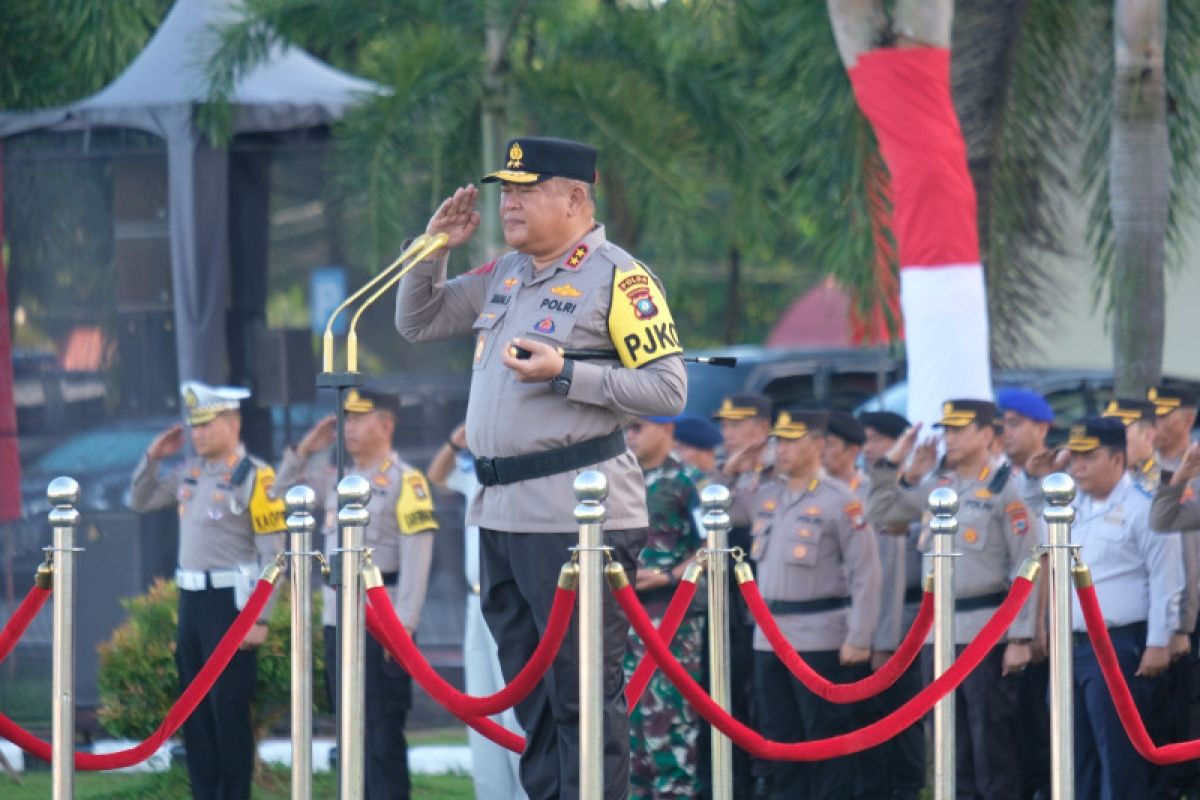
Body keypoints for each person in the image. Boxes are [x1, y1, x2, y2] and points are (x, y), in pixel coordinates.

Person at [395, 135, 686, 799]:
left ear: (576, 198)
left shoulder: (619, 278)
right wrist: (430, 250)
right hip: (501, 514)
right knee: (533, 703)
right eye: (506, 191)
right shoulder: (507, 274)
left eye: (528, 189)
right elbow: (419, 320)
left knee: (581, 697)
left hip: (576, 517)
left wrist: (568, 374)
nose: (511, 203)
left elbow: (669, 391)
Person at [867, 399, 1037, 800]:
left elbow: (1027, 564)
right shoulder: (937, 487)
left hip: (985, 630)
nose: (951, 438)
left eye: (961, 430)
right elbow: (880, 512)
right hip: (936, 632)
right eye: (947, 430)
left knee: (991, 744)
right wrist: (900, 465)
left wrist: (1020, 637)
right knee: (947, 741)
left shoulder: (1003, 488)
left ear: (986, 434)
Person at [275, 388, 437, 800]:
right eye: (345, 418)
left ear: (386, 425)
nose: (349, 427)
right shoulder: (334, 478)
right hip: (337, 618)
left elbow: (417, 564)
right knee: (347, 731)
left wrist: (403, 632)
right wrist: (307, 448)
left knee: (381, 735)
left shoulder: (406, 481)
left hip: (383, 626)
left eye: (360, 418)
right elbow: (280, 494)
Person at [129, 381, 285, 800]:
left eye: (206, 424)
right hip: (192, 602)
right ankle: (204, 793)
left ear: (232, 423)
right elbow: (140, 500)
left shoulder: (256, 475)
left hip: (232, 605)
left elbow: (276, 554)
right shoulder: (190, 473)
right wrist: (152, 459)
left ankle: (234, 795)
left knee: (229, 710)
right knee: (194, 710)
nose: (197, 434)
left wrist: (261, 617)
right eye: (194, 426)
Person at [749, 409, 881, 800]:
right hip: (768, 635)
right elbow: (723, 504)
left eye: (792, 440)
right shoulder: (767, 494)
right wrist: (737, 468)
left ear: (818, 446)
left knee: (825, 738)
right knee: (779, 737)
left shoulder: (841, 501)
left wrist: (860, 636)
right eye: (779, 440)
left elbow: (866, 573)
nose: (782, 449)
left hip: (820, 635)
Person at [1062, 417, 1184, 800]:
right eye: (1075, 456)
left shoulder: (1143, 507)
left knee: (1118, 758)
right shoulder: (1067, 509)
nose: (1077, 465)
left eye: (1088, 456)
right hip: (1072, 646)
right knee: (1074, 757)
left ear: (1117, 460)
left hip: (1118, 646)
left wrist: (1159, 641)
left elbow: (1166, 576)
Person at [427, 422, 527, 800]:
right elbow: (437, 476)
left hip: (510, 601)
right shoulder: (475, 467)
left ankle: (525, 792)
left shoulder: (524, 464)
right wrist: (456, 439)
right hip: (476, 600)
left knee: (514, 710)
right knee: (479, 707)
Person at [622, 416, 704, 798]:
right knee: (629, 734)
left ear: (667, 428)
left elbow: (712, 546)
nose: (630, 435)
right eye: (627, 427)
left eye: (638, 426)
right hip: (622, 618)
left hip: (671, 619)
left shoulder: (690, 481)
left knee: (671, 730)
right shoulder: (618, 478)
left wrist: (671, 575)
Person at [857, 410, 925, 800]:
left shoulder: (912, 489)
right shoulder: (869, 488)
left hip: (905, 617)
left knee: (902, 713)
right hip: (871, 619)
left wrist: (884, 637)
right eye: (865, 440)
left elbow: (896, 565)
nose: (869, 449)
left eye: (877, 440)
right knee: (869, 713)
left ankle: (905, 786)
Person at [715, 393, 775, 493]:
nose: (726, 434)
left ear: (764, 428)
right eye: (723, 426)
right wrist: (726, 475)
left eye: (735, 425)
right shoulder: (722, 467)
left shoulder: (786, 466)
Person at [670, 413, 723, 478]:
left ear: (701, 445)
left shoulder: (732, 475)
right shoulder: (691, 481)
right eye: (674, 450)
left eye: (680, 448)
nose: (677, 456)